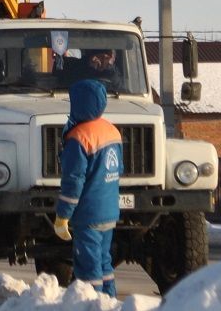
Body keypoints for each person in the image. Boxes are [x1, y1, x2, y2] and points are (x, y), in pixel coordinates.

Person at [53, 78, 123, 296]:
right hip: (109, 211)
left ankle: (92, 304)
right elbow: (118, 169)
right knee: (104, 263)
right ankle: (110, 301)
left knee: (88, 268)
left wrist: (62, 216)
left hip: (88, 216)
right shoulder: (112, 131)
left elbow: (73, 181)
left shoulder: (78, 138)